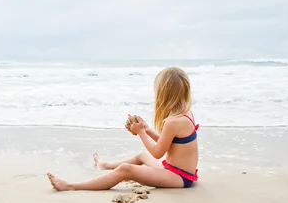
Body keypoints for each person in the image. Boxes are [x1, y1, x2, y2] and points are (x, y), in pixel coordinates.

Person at [47, 67, 199, 191]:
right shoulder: (185, 114)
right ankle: (105, 165)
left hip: (179, 177)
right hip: (175, 171)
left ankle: (71, 186)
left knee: (126, 170)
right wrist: (146, 130)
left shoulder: (173, 122)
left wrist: (140, 132)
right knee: (141, 156)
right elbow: (169, 144)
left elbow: (158, 153)